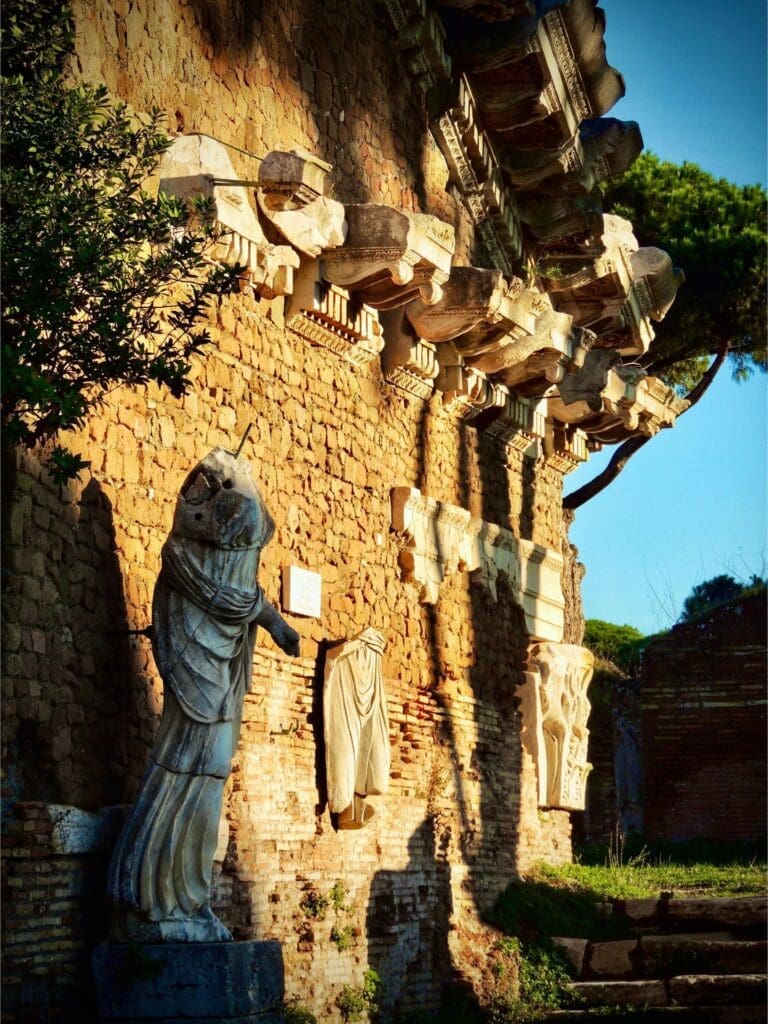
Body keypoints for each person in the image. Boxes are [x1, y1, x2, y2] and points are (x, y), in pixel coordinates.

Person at [107, 448, 300, 942]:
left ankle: (188, 899)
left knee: (212, 771)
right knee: (193, 764)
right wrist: (271, 619)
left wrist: (272, 620)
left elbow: (241, 595)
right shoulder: (183, 558)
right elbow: (229, 597)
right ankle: (153, 896)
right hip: (198, 663)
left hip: (223, 662)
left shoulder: (225, 533)